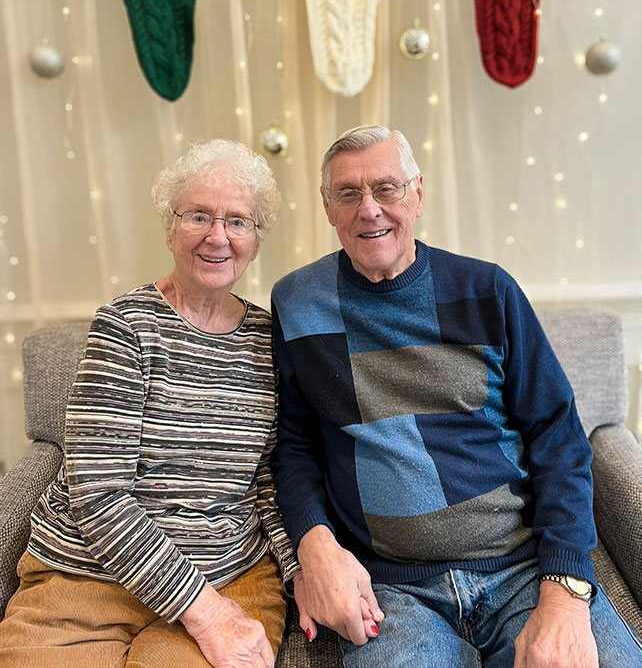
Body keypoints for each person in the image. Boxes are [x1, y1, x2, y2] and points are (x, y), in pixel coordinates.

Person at [270, 124, 642, 668]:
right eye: (348, 194)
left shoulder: (487, 290)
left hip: (519, 568)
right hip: (390, 588)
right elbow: (294, 445)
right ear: (327, 207)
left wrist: (564, 590)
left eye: (387, 189)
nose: (368, 209)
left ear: (417, 194)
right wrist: (313, 541)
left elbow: (558, 438)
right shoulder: (298, 302)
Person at [0, 139, 299, 668]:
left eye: (238, 221)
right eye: (198, 216)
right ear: (169, 228)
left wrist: (301, 572)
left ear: (256, 240)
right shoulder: (125, 326)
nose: (218, 236)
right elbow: (98, 491)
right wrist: (204, 613)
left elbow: (270, 479)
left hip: (229, 572)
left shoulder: (268, 338)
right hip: (90, 574)